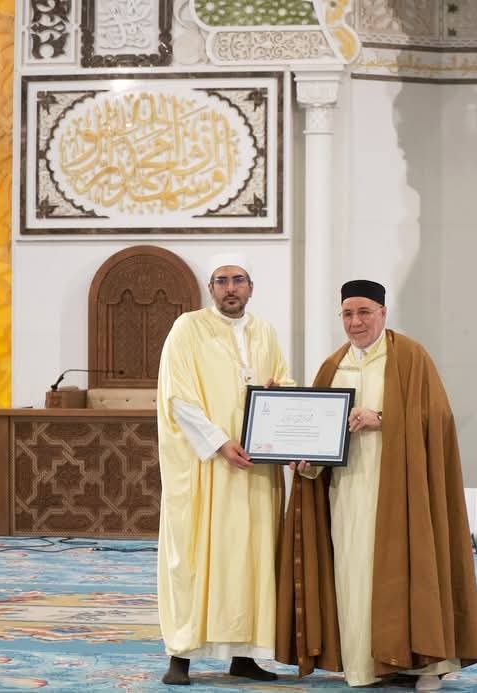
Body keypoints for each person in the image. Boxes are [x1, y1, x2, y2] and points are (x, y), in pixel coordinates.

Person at [275, 279, 477, 690]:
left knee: (410, 571)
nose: (356, 322)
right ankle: (365, 666)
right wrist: (306, 462)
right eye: (348, 314)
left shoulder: (409, 357)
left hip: (402, 491)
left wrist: (382, 419)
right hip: (346, 492)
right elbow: (316, 434)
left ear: (383, 313)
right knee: (353, 575)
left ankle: (424, 666)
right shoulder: (332, 367)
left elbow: (437, 419)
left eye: (364, 312)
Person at [155, 252, 293, 685]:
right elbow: (178, 397)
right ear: (210, 288)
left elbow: (284, 383)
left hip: (254, 469)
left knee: (252, 558)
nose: (230, 288)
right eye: (222, 281)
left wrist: (281, 404)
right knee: (194, 556)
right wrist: (219, 443)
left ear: (250, 287)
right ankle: (180, 655)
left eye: (238, 280)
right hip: (206, 470)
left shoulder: (265, 331)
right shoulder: (187, 328)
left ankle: (245, 655)